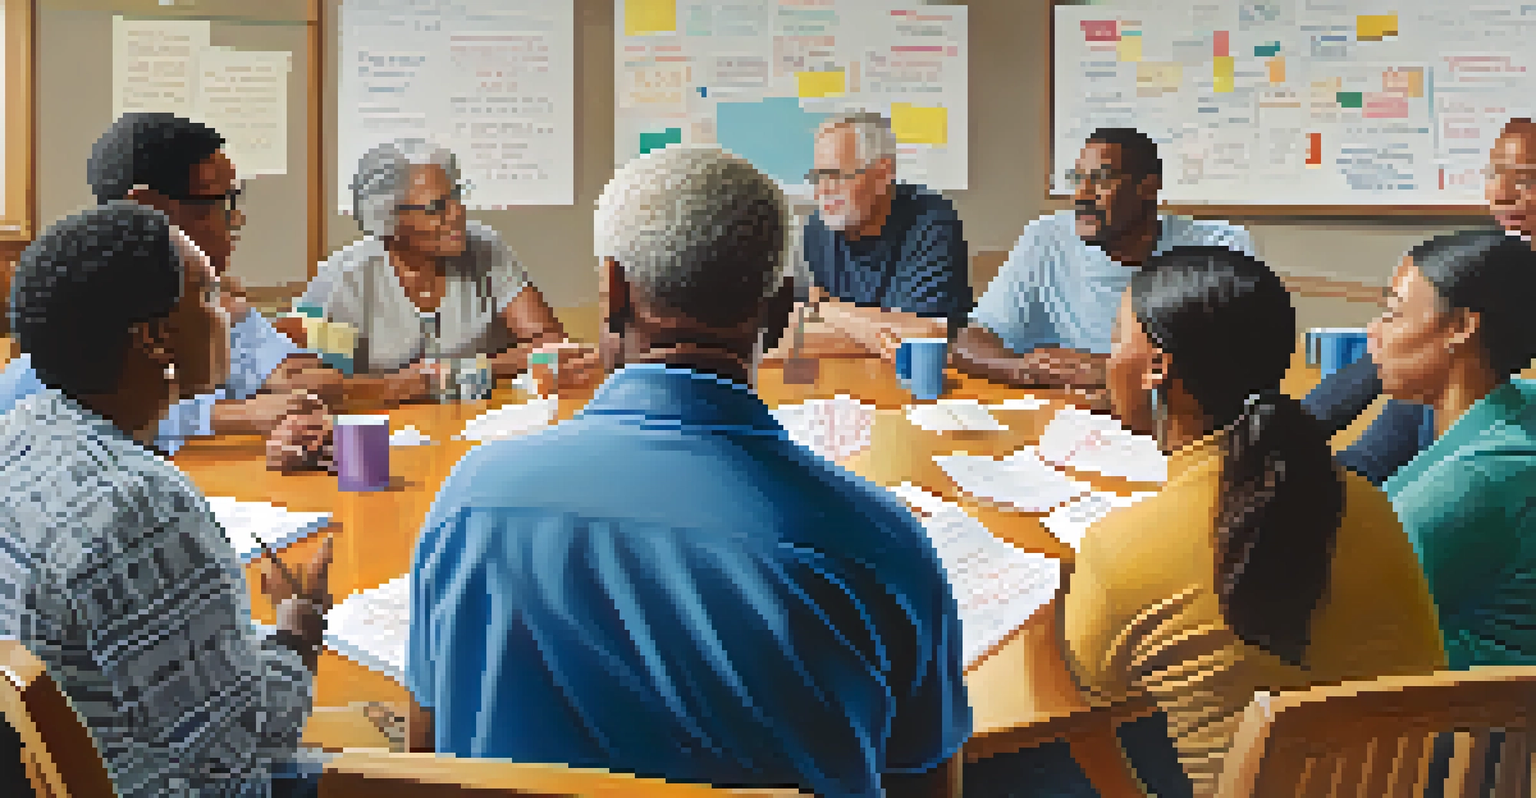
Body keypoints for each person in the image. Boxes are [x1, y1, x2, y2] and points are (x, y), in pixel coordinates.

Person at [405, 145, 970, 798]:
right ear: (784, 311)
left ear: (612, 290)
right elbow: (923, 785)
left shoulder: (472, 504)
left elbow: (431, 756)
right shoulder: (880, 543)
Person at [1058, 246, 1444, 797]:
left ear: (1157, 368)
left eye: (1118, 337)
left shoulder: (1116, 550)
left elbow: (1086, 697)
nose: (1108, 354)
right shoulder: (1364, 501)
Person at [0, 204, 333, 797]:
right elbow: (241, 759)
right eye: (207, 297)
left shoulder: (20, 431)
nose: (225, 315)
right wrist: (297, 633)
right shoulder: (139, 507)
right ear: (155, 338)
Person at [0, 113, 328, 463]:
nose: (234, 220)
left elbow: (305, 382)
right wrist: (236, 416)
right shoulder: (73, 306)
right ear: (149, 208)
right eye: (217, 204)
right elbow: (76, 413)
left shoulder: (220, 302)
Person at [1303, 117, 1536, 485]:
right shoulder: (1478, 274)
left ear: (1464, 327)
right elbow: (1371, 461)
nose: (1501, 194)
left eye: (1527, 179)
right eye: (1494, 174)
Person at [953, 129, 1256, 406]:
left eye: (1101, 179)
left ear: (1148, 187)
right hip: (1062, 423)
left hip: (1172, 429)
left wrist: (1115, 370)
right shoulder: (1045, 238)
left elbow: (1242, 362)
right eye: (1077, 178)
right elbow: (969, 341)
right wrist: (1024, 371)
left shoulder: (1216, 247)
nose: (1082, 195)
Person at [300, 138, 599, 397]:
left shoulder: (485, 249)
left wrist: (462, 372)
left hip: (485, 419)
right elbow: (315, 381)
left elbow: (550, 343)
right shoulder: (344, 280)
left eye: (456, 196)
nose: (457, 213)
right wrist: (405, 386)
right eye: (436, 208)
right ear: (387, 219)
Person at [1370, 230, 1536, 669]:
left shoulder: (1473, 480)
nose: (1375, 332)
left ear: (1461, 327)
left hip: (1463, 726)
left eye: (1393, 314)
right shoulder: (1520, 405)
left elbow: (1340, 608)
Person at [786, 112, 971, 361]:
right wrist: (867, 327)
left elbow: (925, 337)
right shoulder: (817, 229)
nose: (823, 190)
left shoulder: (931, 222)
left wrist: (825, 309)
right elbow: (788, 334)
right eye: (818, 177)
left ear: (883, 173)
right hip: (842, 383)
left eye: (837, 175)